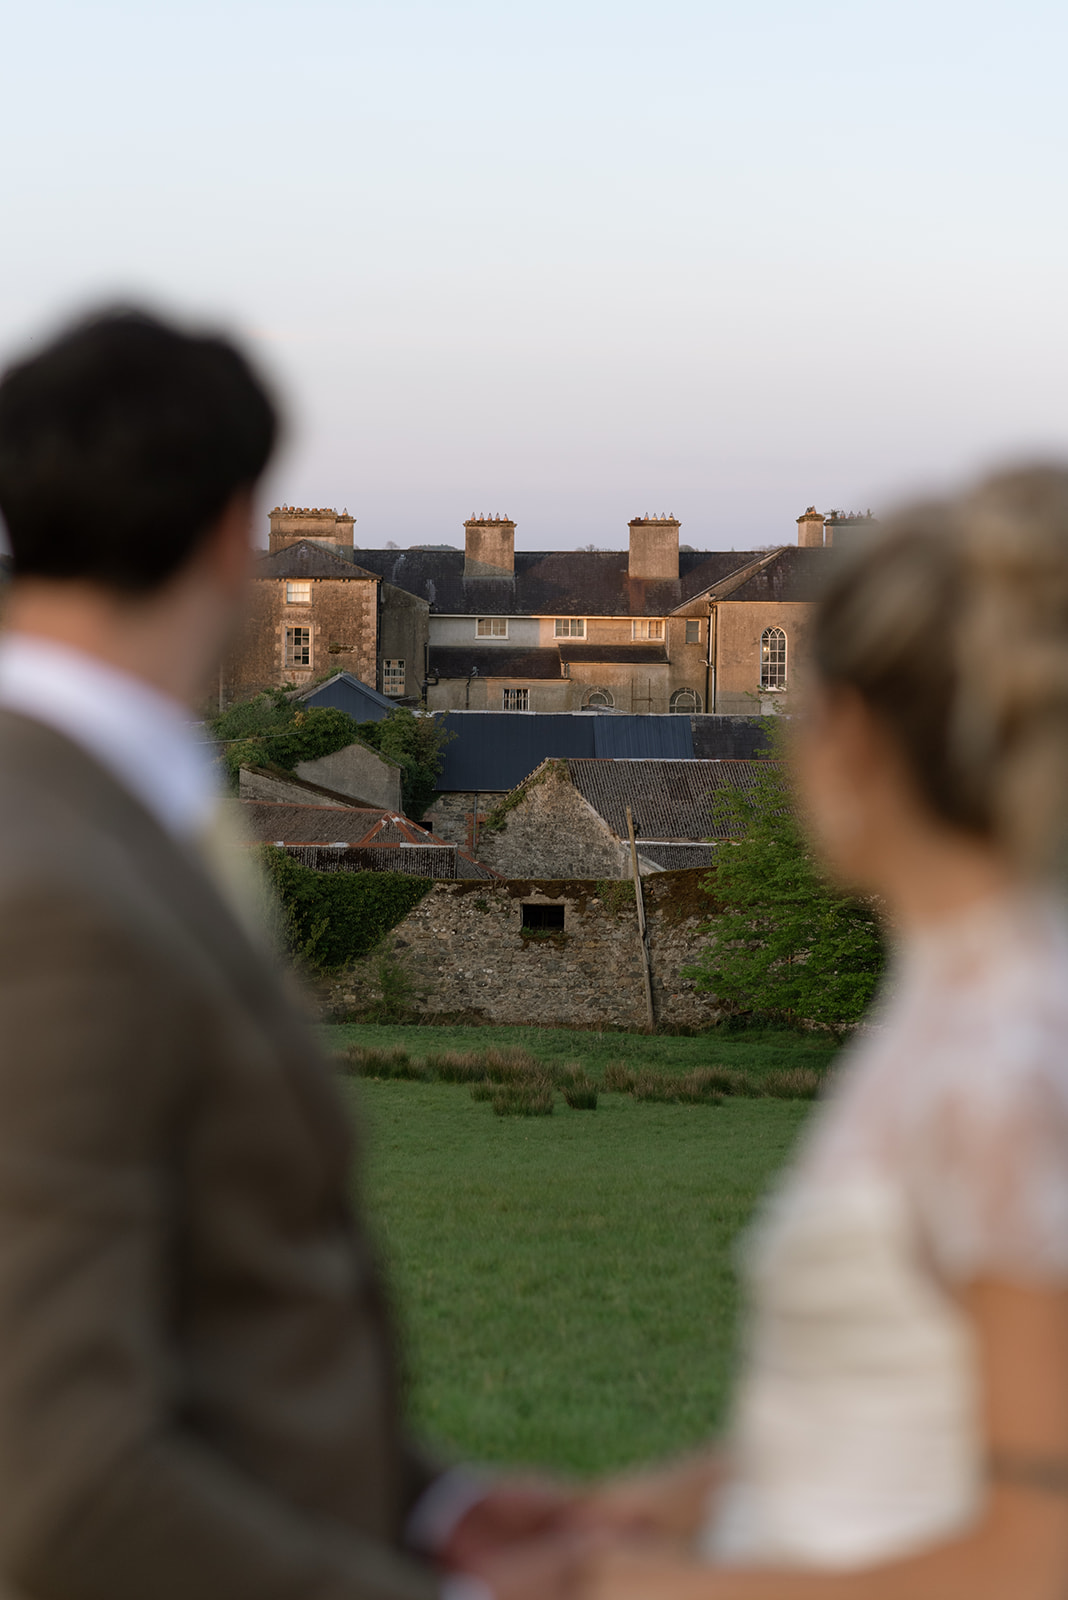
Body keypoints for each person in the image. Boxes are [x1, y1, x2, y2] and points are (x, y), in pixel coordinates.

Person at [0, 307, 562, 1600]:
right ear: (230, 529)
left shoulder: (105, 811)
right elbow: (64, 1490)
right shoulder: (55, 890)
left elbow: (204, 1304)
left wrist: (438, 1511)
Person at [487, 468, 1068, 1600]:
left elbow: (1038, 1556)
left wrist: (643, 1587)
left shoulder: (998, 1063)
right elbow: (910, 1402)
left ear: (849, 733)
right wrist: (679, 1498)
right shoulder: (956, 1004)